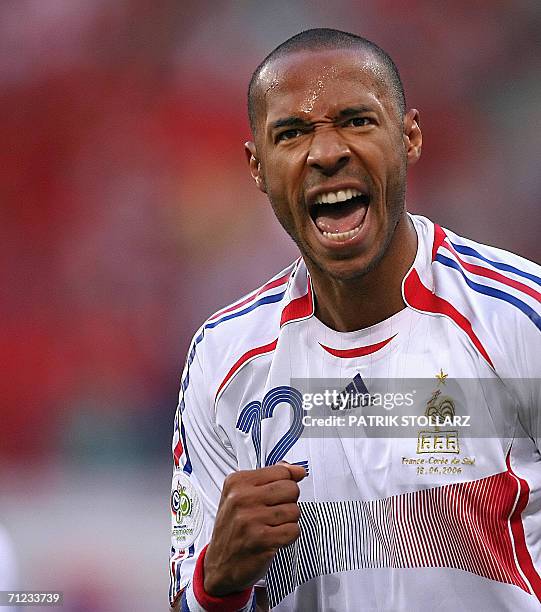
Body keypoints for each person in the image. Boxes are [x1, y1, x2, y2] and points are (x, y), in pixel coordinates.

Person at [169, 28, 541, 611]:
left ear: (410, 136)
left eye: (356, 121)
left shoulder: (520, 320)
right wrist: (216, 579)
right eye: (290, 133)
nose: (325, 152)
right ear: (257, 166)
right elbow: (183, 594)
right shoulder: (223, 357)